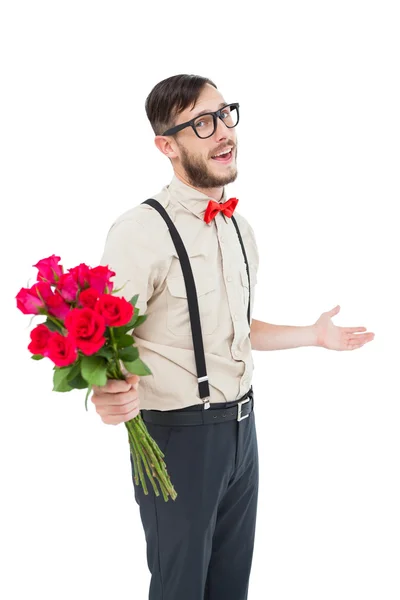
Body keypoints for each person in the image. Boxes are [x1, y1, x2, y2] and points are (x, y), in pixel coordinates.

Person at [90, 74, 375, 600]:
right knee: (181, 589)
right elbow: (102, 342)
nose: (223, 131)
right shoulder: (139, 231)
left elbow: (236, 331)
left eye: (224, 114)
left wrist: (313, 335)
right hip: (176, 437)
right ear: (167, 145)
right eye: (201, 122)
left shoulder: (239, 228)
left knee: (229, 587)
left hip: (243, 430)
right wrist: (108, 395)